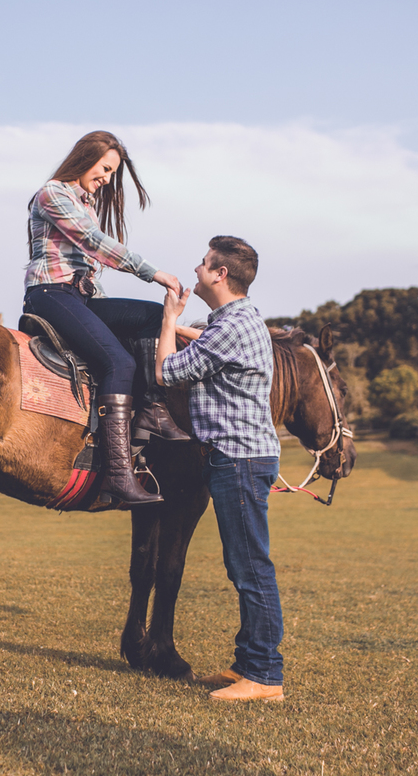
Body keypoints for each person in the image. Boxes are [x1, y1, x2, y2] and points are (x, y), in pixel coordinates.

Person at [23, 130, 190, 506]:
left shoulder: (87, 204)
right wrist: (153, 272)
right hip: (49, 294)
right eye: (104, 169)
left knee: (150, 315)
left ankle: (152, 409)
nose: (107, 179)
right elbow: (94, 244)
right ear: (84, 160)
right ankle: (119, 476)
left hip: (79, 298)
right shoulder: (54, 193)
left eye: (112, 173)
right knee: (117, 360)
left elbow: (90, 274)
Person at [155, 235, 285, 701]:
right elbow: (209, 344)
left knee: (251, 569)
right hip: (239, 457)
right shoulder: (236, 322)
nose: (195, 269)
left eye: (202, 263)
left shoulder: (231, 327)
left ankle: (265, 677)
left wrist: (169, 320)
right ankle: (247, 665)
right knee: (243, 565)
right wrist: (187, 330)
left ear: (220, 274)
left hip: (239, 460)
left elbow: (166, 373)